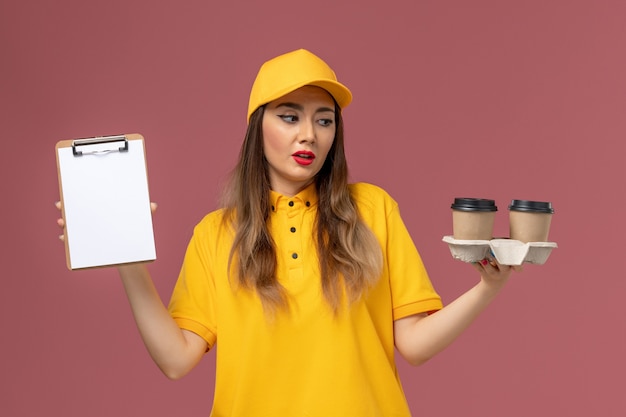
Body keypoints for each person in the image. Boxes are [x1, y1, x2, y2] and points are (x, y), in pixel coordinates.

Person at [56, 48, 515, 416]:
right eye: (290, 116)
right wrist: (130, 264)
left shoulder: (373, 210)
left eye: (324, 119)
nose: (309, 135)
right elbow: (176, 361)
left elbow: (413, 345)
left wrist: (487, 289)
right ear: (259, 128)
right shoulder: (217, 234)